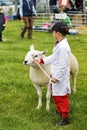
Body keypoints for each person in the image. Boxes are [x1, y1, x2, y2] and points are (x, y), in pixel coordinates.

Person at [33, 22, 71, 125]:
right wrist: (41, 60)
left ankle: (65, 118)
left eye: (53, 32)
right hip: (55, 75)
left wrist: (57, 77)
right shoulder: (59, 44)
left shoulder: (63, 47)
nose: (52, 34)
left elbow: (63, 65)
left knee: (61, 97)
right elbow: (54, 58)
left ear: (57, 33)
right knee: (56, 95)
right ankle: (59, 111)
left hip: (60, 77)